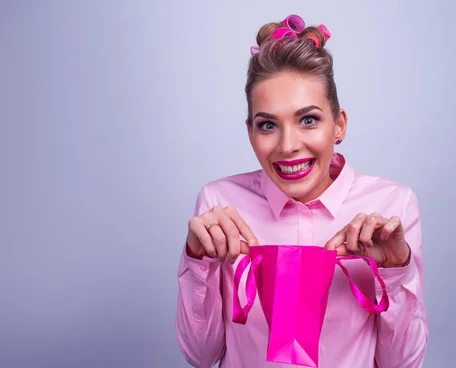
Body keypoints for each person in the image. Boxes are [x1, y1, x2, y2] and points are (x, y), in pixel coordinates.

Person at [175, 15, 428, 368]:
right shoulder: (220, 204)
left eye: (308, 120)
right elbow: (201, 357)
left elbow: (401, 364)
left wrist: (396, 271)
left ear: (338, 124)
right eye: (268, 125)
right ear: (250, 133)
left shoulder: (391, 206)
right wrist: (197, 261)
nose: (288, 145)